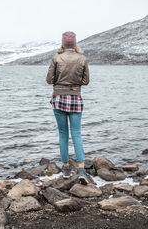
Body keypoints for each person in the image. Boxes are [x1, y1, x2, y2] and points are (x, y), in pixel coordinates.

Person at [46, 31, 90, 185]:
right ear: (75, 43)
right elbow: (85, 82)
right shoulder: (82, 59)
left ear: (63, 44)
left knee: (63, 134)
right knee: (76, 134)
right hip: (75, 98)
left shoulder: (56, 58)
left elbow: (48, 79)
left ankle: (65, 168)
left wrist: (59, 81)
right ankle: (81, 170)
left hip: (58, 98)